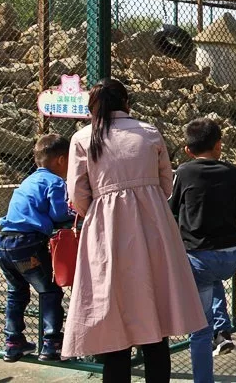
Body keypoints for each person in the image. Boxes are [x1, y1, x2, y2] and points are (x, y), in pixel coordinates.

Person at [63, 78, 206, 382]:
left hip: (106, 232)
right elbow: (167, 184)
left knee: (113, 323)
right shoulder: (149, 133)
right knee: (155, 323)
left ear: (93, 106)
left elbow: (77, 195)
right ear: (126, 102)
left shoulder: (83, 138)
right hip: (154, 228)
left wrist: (101, 213)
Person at [169, 118, 236, 382]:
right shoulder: (234, 173)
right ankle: (223, 331)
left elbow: (172, 207)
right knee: (212, 279)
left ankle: (204, 378)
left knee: (199, 329)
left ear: (189, 150)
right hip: (233, 254)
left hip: (200, 257)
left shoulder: (185, 171)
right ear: (219, 145)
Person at [0, 135, 72, 362]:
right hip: (28, 243)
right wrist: (76, 212)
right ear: (61, 160)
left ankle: (13, 341)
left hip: (5, 243)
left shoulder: (27, 181)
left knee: (16, 292)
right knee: (49, 290)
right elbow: (59, 214)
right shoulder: (56, 182)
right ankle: (51, 343)